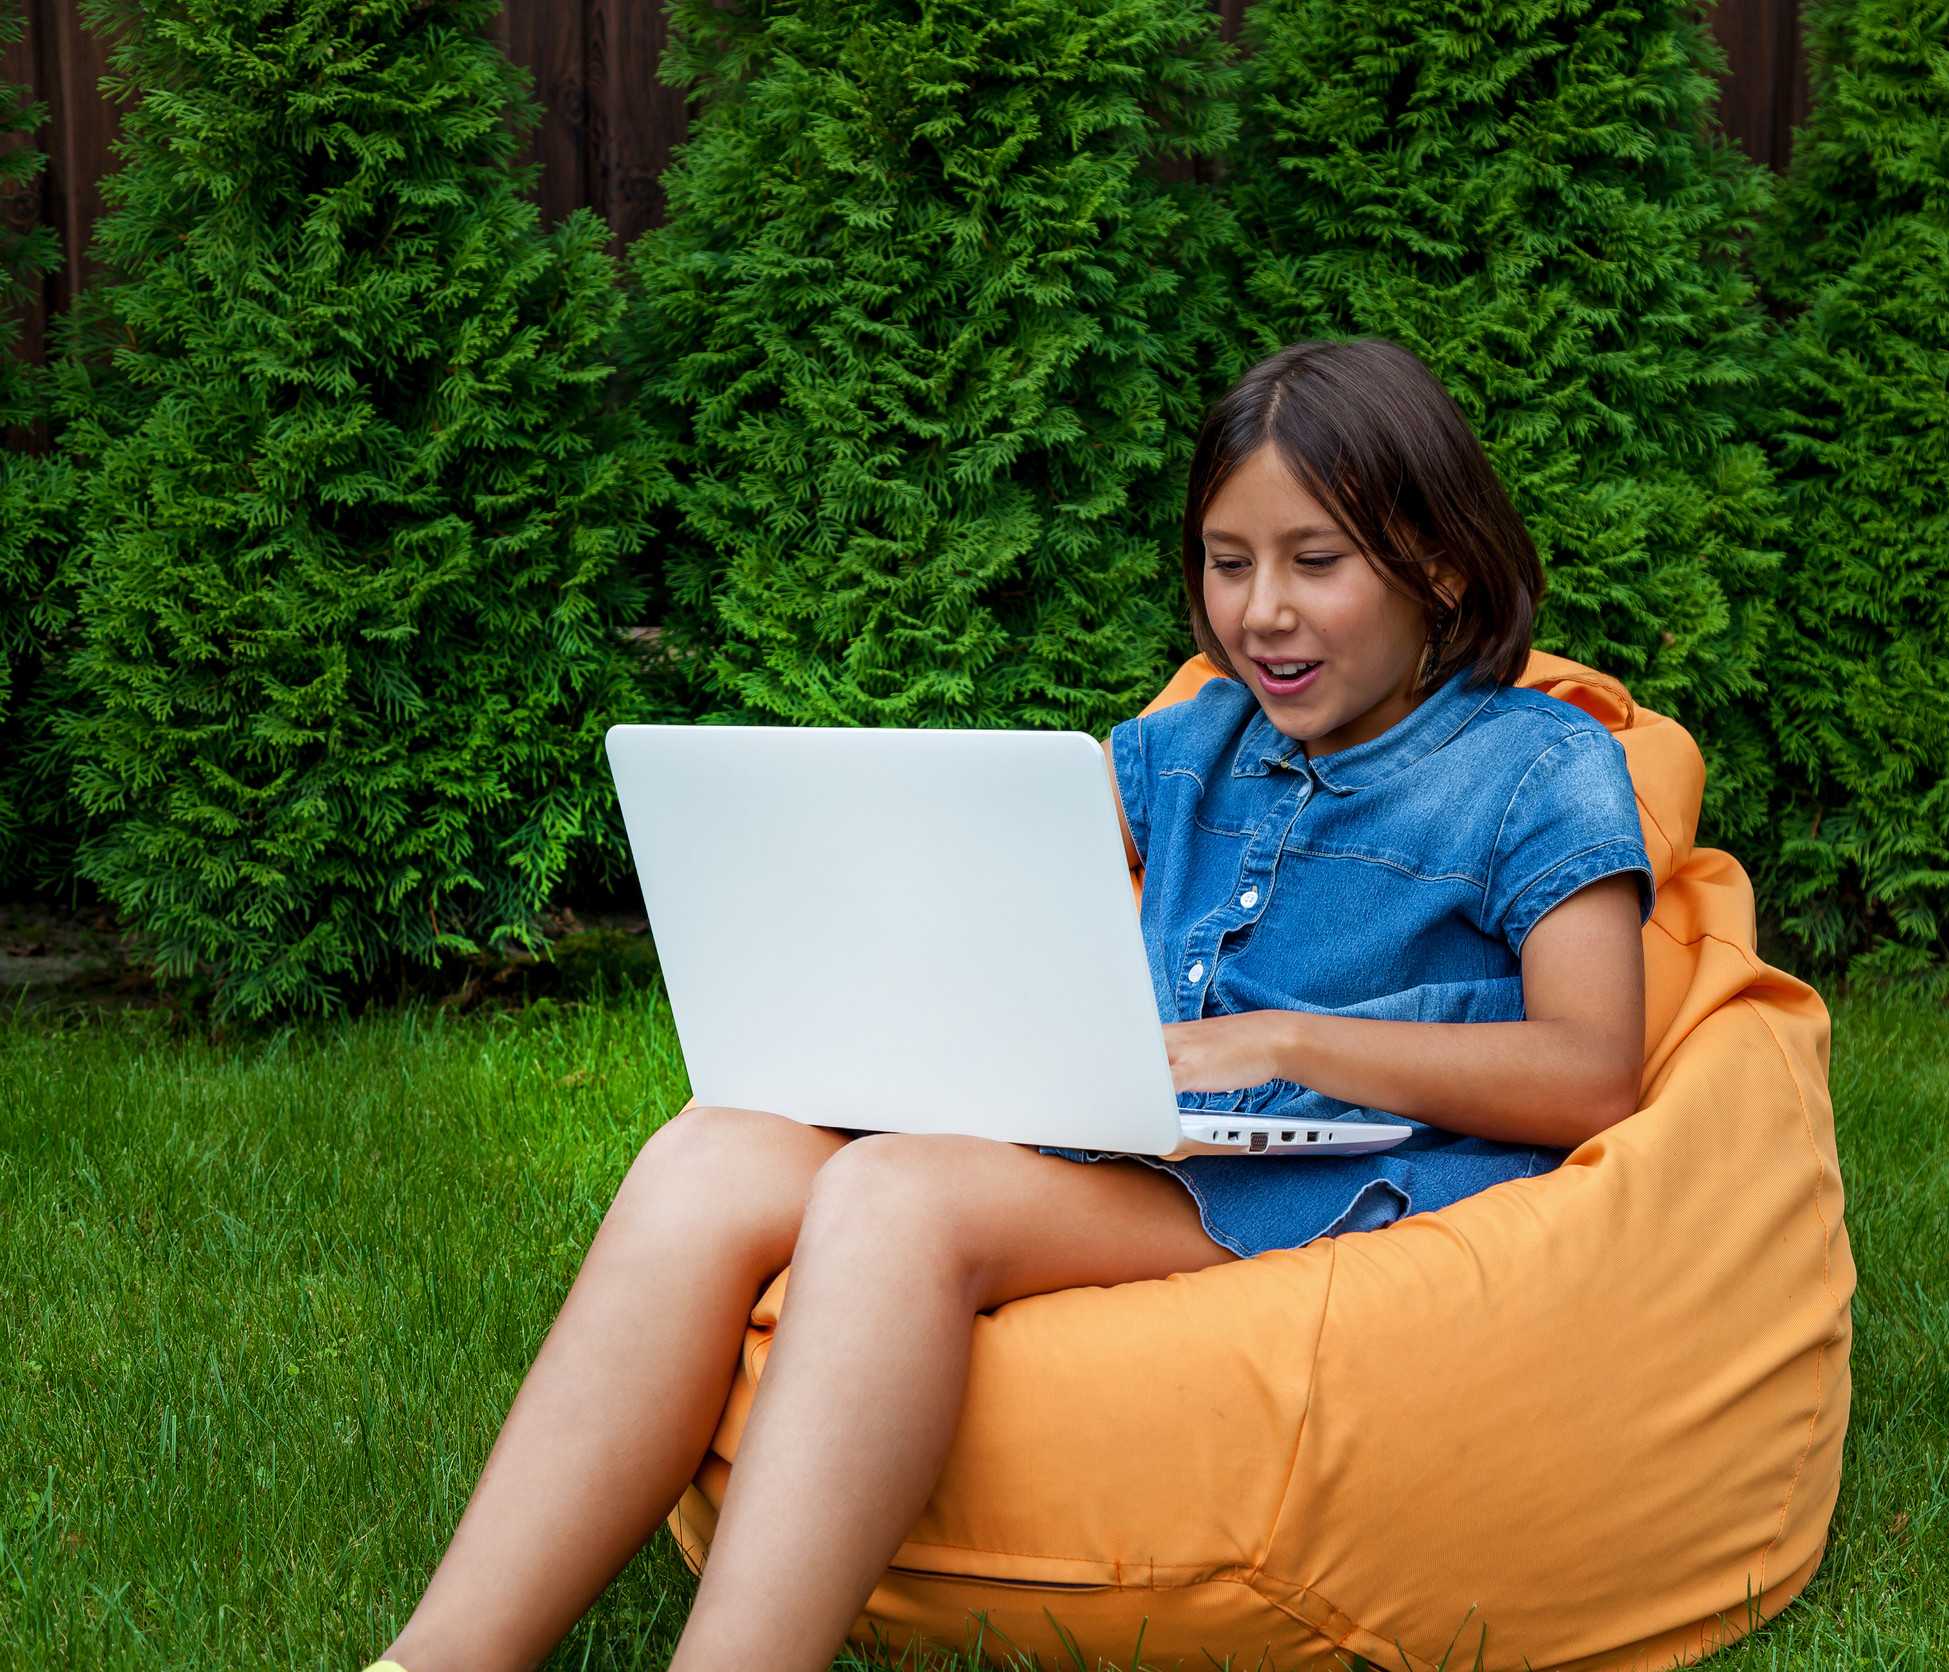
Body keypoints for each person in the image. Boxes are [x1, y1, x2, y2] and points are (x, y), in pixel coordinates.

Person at [367, 336, 1656, 1671]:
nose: (1262, 611)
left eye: (1315, 562)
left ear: (1439, 564)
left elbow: (1591, 1074)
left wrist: (1279, 1041)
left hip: (1323, 1181)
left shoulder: (1540, 765)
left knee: (898, 1197)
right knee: (714, 1152)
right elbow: (992, 896)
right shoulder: (1192, 742)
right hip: (1145, 1138)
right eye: (1228, 563)